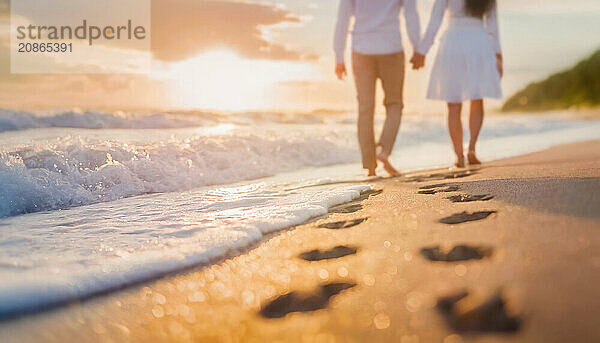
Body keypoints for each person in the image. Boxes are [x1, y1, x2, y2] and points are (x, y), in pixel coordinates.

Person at [334, 0, 421, 177]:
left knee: (365, 108)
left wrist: (339, 56)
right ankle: (384, 150)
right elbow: (411, 16)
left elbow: (342, 19)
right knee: (394, 104)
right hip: (391, 48)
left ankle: (370, 167)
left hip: (361, 49)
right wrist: (418, 48)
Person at [412, 0, 503, 168]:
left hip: (453, 41)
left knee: (453, 102)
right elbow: (492, 25)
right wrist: (498, 55)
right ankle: (472, 148)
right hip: (478, 42)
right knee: (477, 98)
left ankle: (459, 156)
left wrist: (422, 51)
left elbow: (435, 21)